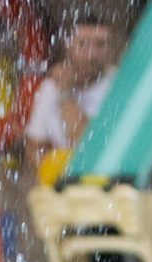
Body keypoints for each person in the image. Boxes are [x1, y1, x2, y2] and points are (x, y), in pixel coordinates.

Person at [24, 14, 120, 174]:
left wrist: (66, 96)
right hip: (66, 185)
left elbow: (88, 148)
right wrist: (55, 174)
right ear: (68, 46)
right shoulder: (50, 87)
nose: (92, 54)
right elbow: (34, 147)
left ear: (110, 48)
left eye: (100, 45)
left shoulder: (118, 84)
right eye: (83, 44)